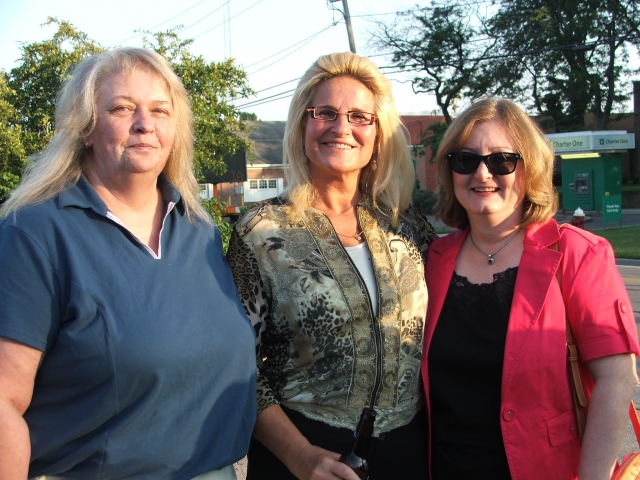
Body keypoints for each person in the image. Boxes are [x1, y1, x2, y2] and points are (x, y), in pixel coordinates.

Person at [0, 48, 256, 480]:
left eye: (160, 110)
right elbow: (4, 401)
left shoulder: (198, 228)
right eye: (122, 108)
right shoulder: (35, 234)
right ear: (85, 128)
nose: (145, 124)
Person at [226, 51, 437, 480]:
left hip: (407, 451)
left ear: (379, 134)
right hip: (304, 454)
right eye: (325, 112)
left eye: (360, 116)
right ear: (303, 125)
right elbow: (234, 365)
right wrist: (301, 456)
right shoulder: (261, 231)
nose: (342, 127)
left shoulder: (406, 223)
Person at [422, 97, 639, 480]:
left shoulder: (578, 254)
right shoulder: (432, 259)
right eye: (465, 160)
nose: (482, 174)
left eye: (501, 160)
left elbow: (617, 380)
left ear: (530, 168)